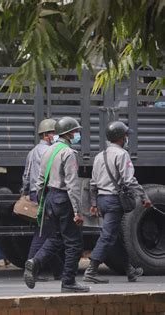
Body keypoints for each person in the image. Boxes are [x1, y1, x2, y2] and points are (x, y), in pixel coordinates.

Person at [24, 116, 89, 293]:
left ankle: (35, 262)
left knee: (55, 237)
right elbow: (72, 185)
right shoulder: (68, 153)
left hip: (50, 198)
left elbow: (39, 181)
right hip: (64, 199)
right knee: (74, 243)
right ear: (68, 134)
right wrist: (77, 211)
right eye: (75, 132)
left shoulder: (48, 151)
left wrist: (42, 203)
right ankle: (68, 281)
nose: (77, 135)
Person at [84, 121, 150, 283]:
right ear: (121, 137)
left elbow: (93, 183)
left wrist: (93, 204)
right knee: (107, 236)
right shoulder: (122, 155)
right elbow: (128, 180)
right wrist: (144, 196)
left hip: (102, 200)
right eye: (126, 135)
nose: (127, 138)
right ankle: (91, 271)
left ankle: (130, 270)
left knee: (116, 235)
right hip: (114, 201)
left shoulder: (100, 156)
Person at [21, 118, 63, 280]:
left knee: (49, 233)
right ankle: (31, 268)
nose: (57, 137)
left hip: (34, 194)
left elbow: (26, 176)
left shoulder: (32, 151)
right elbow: (48, 177)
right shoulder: (48, 152)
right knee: (43, 233)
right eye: (55, 133)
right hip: (44, 194)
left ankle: (59, 270)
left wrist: (25, 193)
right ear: (47, 135)